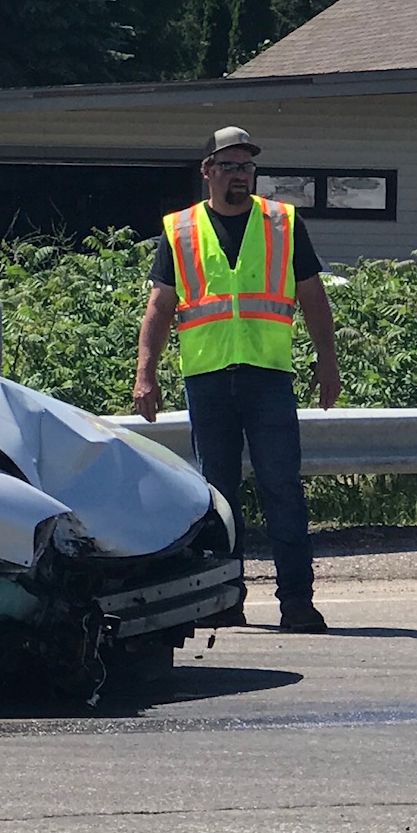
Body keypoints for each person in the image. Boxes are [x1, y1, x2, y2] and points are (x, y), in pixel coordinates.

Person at [134, 127, 340, 634]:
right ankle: (225, 599)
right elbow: (160, 307)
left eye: (247, 166)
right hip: (206, 377)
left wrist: (327, 361)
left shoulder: (282, 222)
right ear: (207, 171)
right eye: (228, 166)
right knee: (218, 496)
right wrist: (145, 374)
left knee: (282, 489)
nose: (239, 175)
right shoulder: (180, 229)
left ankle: (297, 601)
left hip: (268, 375)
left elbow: (313, 296)